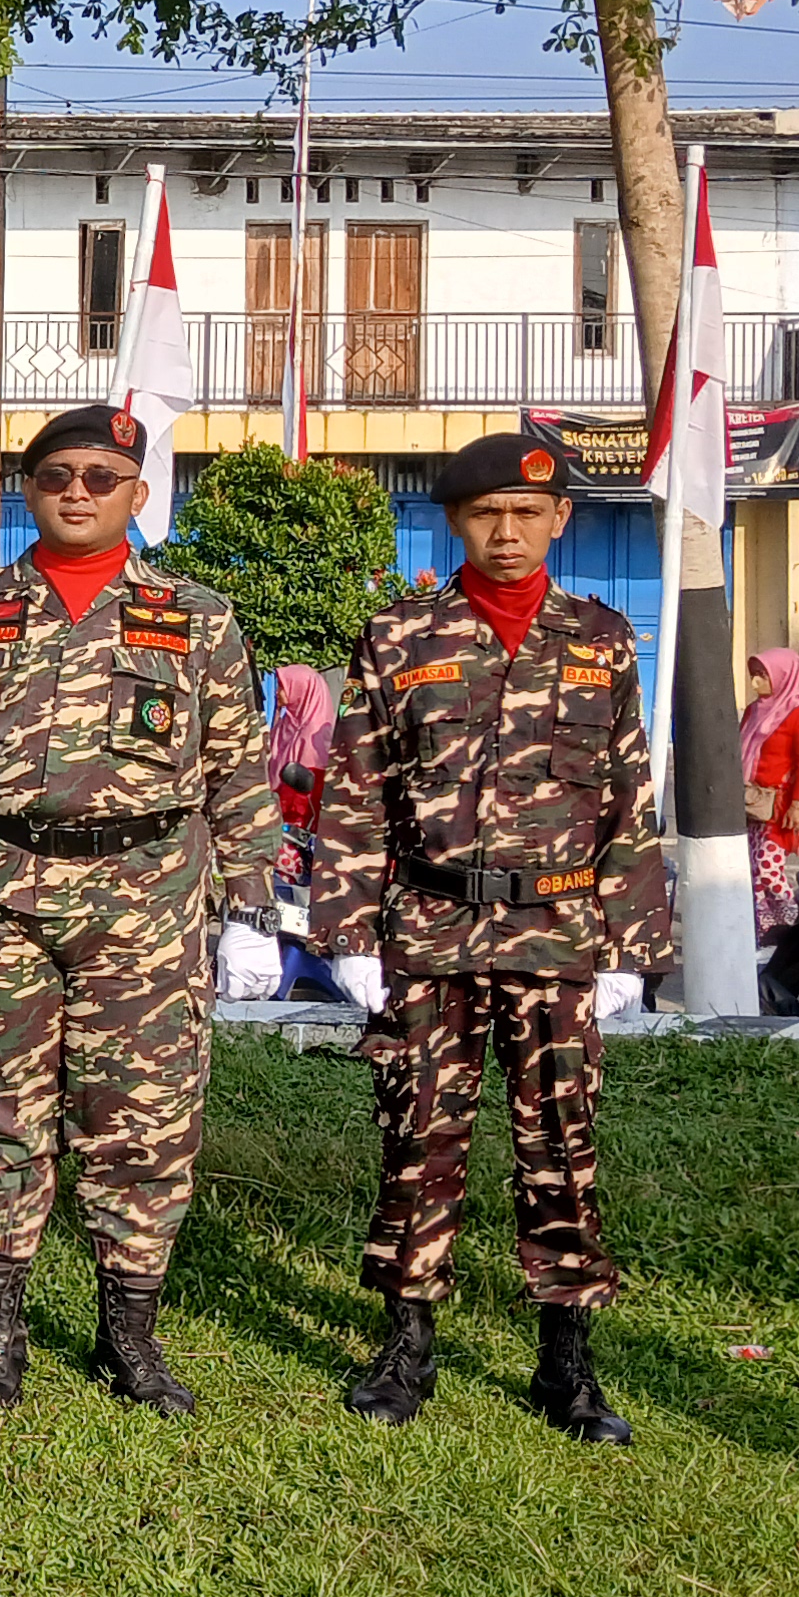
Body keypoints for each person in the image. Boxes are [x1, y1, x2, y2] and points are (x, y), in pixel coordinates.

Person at [0, 403, 278, 1416]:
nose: (77, 490)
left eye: (100, 477)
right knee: (1, 1115)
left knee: (142, 1123)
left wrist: (250, 906)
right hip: (1, 893)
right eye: (58, 473)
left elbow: (239, 767)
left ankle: (131, 1335)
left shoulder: (196, 616)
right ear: (29, 488)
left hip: (146, 900)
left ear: (138, 494)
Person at [312, 428, 670, 1444]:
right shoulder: (399, 635)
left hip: (558, 927)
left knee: (560, 1144)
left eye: (526, 513)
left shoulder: (601, 638)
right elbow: (356, 789)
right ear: (454, 520)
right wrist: (344, 928)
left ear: (561, 520)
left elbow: (628, 794)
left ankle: (567, 1360)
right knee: (418, 1136)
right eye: (485, 514)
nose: (506, 532)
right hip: (431, 924)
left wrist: (632, 941)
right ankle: (408, 1343)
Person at [260, 663, 340, 1000]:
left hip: (304, 840)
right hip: (278, 833)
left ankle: (308, 972)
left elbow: (314, 795)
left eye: (283, 686)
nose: (278, 694)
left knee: (299, 909)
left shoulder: (317, 738)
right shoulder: (285, 727)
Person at [740, 648, 799, 944]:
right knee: (751, 873)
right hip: (752, 803)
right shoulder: (754, 711)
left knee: (768, 867)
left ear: (783, 677)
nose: (755, 683)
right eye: (754, 676)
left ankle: (798, 926)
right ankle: (766, 933)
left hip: (781, 806)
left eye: (762, 676)